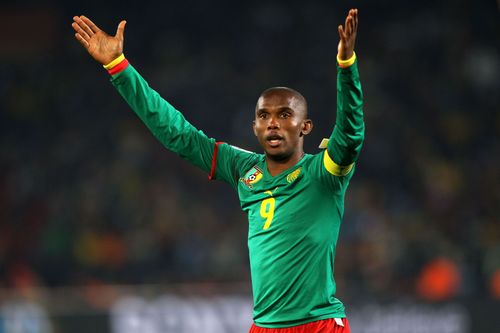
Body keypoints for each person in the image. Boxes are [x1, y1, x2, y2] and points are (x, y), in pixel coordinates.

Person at [72, 8, 363, 333]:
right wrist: (119, 67)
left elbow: (350, 135)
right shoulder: (244, 169)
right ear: (254, 127)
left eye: (284, 115)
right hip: (264, 327)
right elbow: (179, 134)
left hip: (318, 325)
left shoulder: (323, 174)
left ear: (305, 126)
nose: (273, 124)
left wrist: (346, 66)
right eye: (264, 116)